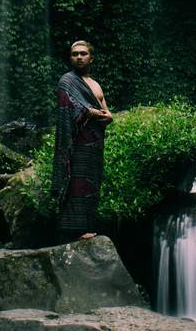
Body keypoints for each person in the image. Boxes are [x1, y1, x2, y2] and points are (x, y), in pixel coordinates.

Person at [50, 40, 113, 242]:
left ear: (90, 57)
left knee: (91, 183)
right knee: (75, 182)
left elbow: (106, 110)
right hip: (76, 142)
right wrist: (93, 112)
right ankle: (74, 229)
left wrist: (109, 116)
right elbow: (70, 106)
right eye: (74, 53)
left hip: (94, 143)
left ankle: (88, 225)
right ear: (70, 57)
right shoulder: (66, 81)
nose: (78, 57)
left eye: (83, 53)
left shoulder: (95, 84)